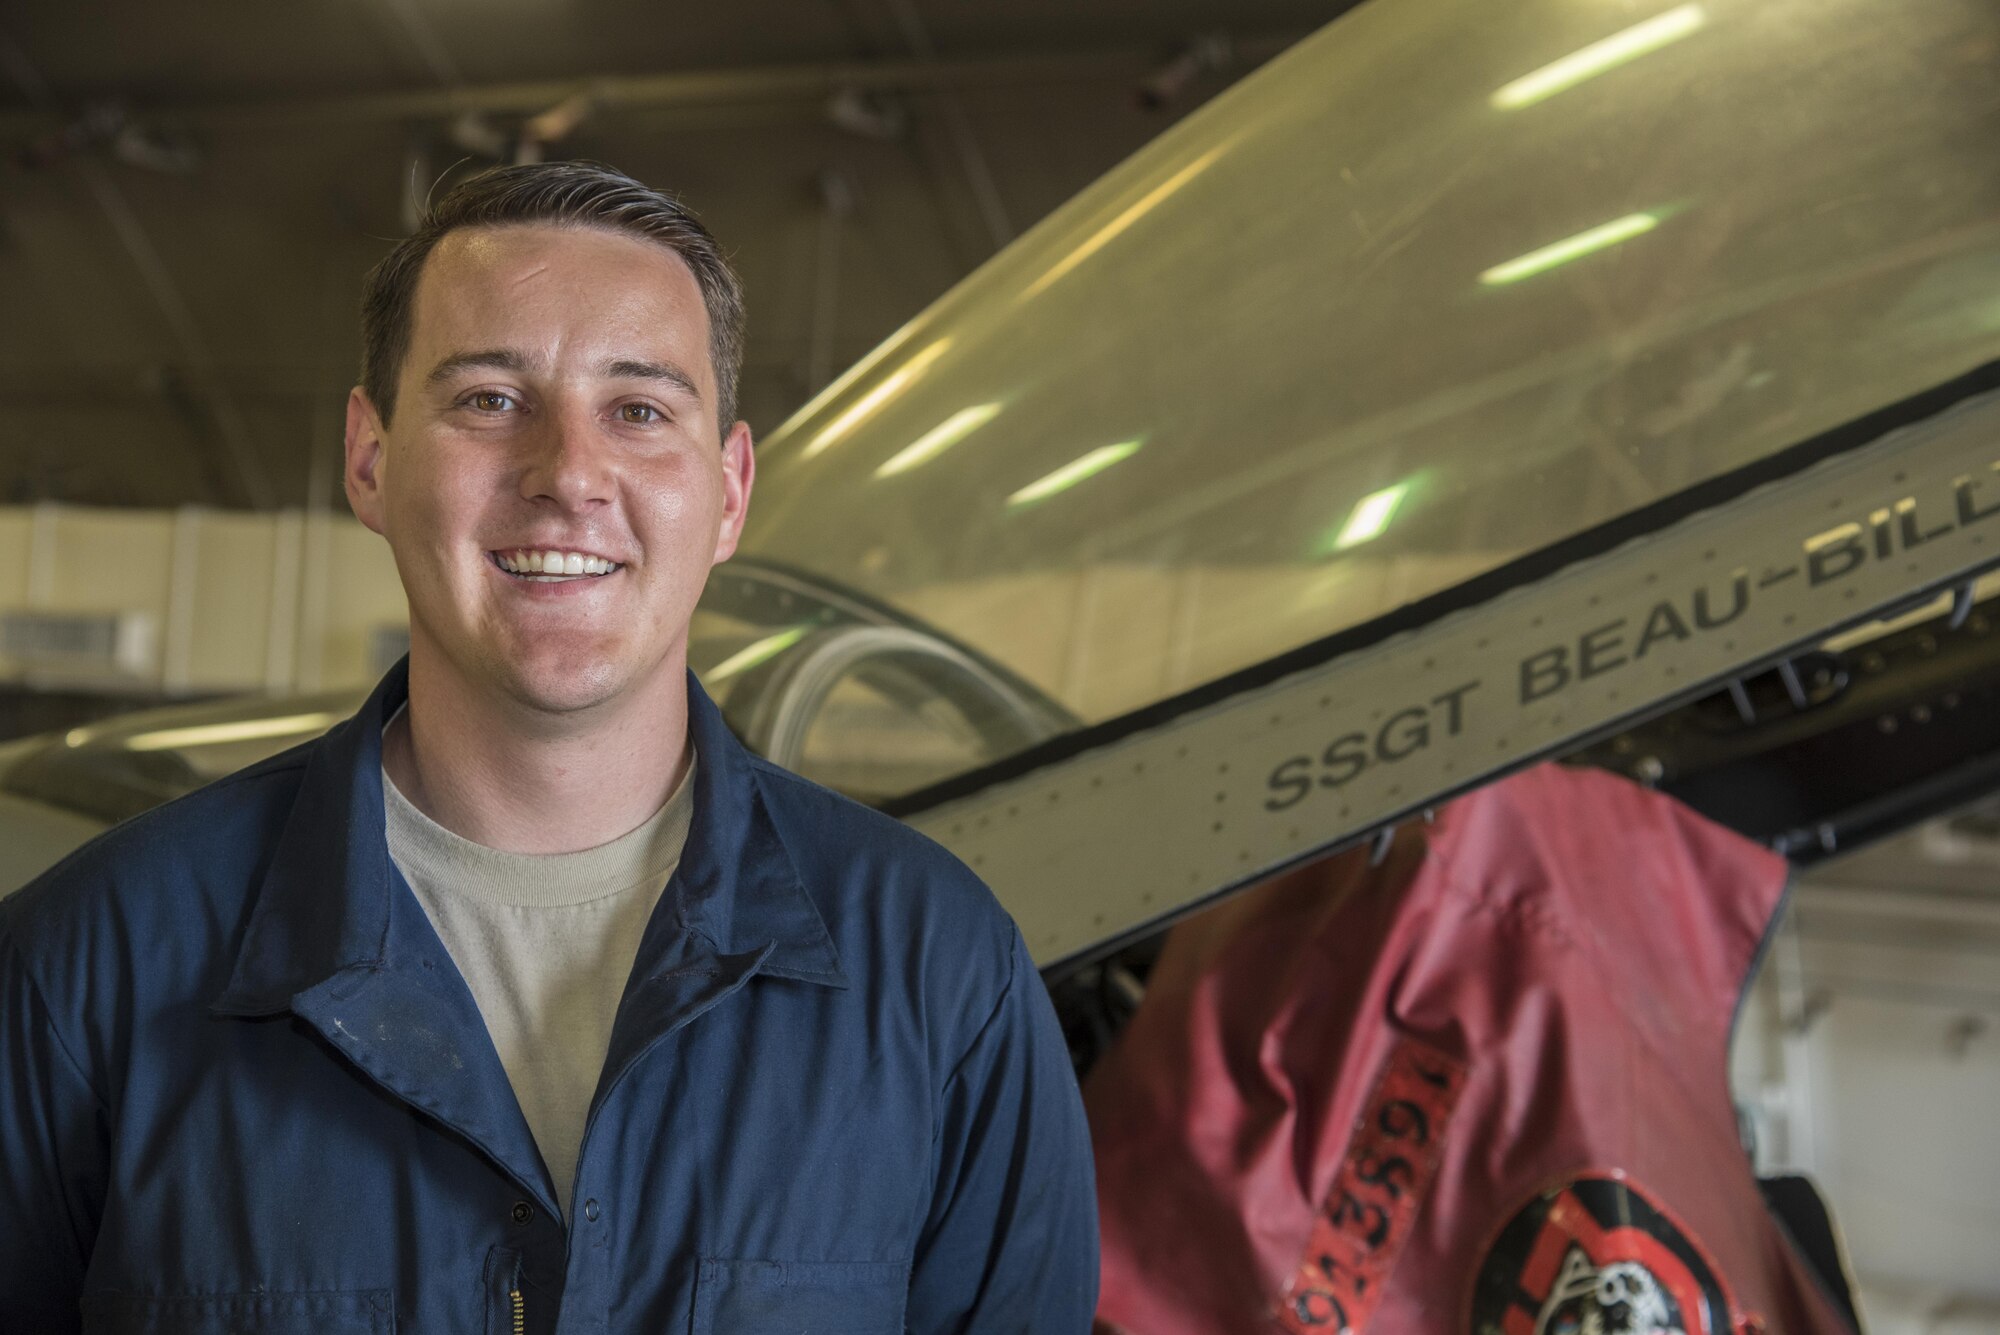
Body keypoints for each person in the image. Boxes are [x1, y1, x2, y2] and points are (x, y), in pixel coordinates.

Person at [0, 161, 1098, 1332]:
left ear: (727, 491)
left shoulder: (936, 975)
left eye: (637, 410)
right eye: (487, 399)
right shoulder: (90, 970)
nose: (568, 473)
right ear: (369, 459)